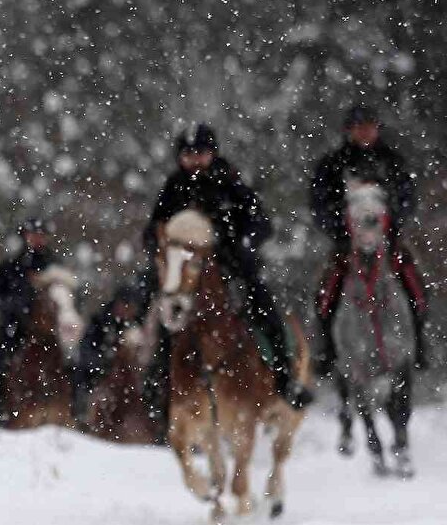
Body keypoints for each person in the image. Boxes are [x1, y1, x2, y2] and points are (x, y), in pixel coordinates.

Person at [143, 123, 313, 410]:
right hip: (181, 270)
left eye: (201, 153)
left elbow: (261, 224)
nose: (195, 159)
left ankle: (284, 377)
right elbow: (153, 229)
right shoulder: (174, 187)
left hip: (231, 266)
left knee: (262, 306)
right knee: (155, 311)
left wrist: (240, 246)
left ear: (212, 153)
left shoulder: (230, 182)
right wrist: (159, 249)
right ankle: (158, 384)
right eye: (188, 154)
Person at [310, 104, 429, 375]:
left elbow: (407, 198)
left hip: (388, 241)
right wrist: (339, 231)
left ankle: (420, 342)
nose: (365, 132)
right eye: (359, 127)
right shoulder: (333, 164)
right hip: (347, 243)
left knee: (416, 286)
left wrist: (393, 225)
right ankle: (327, 347)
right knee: (326, 293)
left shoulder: (392, 161)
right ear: (349, 130)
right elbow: (319, 204)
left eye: (369, 126)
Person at [0, 217, 60, 422]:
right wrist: (17, 307)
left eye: (42, 235)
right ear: (24, 237)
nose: (37, 239)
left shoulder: (57, 269)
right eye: (33, 234)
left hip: (52, 332)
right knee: (0, 364)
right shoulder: (10, 268)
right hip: (15, 328)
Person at [71, 274, 152, 429]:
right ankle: (82, 419)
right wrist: (106, 360)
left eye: (132, 306)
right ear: (117, 304)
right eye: (125, 304)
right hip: (99, 376)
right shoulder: (100, 322)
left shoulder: (137, 326)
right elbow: (86, 352)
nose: (128, 310)